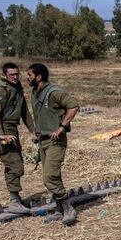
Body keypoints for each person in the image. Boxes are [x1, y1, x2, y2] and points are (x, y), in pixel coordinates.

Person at [27, 63, 80, 226]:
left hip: (55, 141)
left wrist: (62, 127)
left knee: (49, 177)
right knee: (53, 176)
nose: (27, 77)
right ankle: (59, 209)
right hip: (43, 140)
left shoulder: (54, 92)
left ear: (39, 76)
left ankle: (68, 208)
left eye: (30, 74)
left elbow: (74, 106)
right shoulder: (35, 92)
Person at [0, 62, 34, 215]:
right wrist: (1, 135)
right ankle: (14, 201)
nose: (15, 77)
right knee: (16, 166)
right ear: (5, 75)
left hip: (12, 130)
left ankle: (15, 198)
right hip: (3, 131)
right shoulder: (1, 89)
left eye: (16, 74)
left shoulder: (17, 88)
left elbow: (24, 112)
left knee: (14, 164)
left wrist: (33, 130)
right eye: (11, 75)